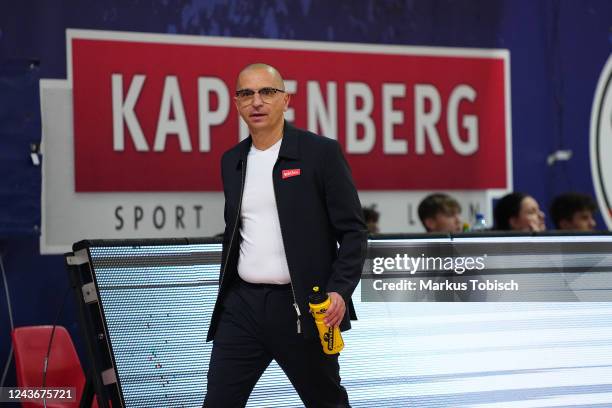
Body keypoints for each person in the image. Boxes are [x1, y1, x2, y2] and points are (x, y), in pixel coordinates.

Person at [204, 63, 367, 407]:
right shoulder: (231, 160)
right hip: (241, 308)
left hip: (304, 308)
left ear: (286, 100)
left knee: (326, 401)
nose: (256, 102)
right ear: (236, 104)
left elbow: (353, 232)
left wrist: (339, 291)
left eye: (267, 92)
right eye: (246, 94)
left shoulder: (320, 153)